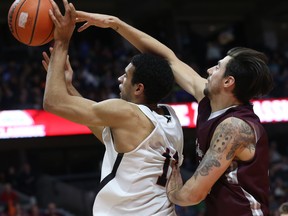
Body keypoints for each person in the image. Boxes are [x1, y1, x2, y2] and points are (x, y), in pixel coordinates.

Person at [74, 9, 274, 216]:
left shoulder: (235, 127)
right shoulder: (210, 102)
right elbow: (168, 59)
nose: (209, 70)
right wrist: (115, 23)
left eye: (217, 67)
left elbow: (191, 196)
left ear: (228, 82)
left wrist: (170, 191)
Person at [42, 0, 183, 215]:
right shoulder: (169, 118)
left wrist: (61, 41)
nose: (120, 78)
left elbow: (52, 102)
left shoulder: (128, 113)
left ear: (139, 88)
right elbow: (109, 136)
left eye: (126, 75)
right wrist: (69, 87)